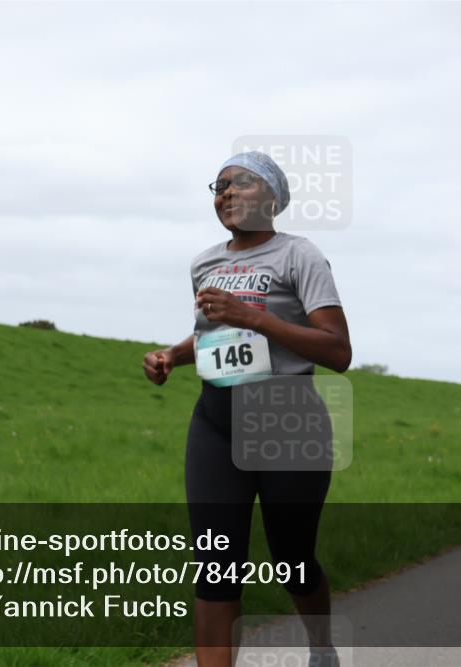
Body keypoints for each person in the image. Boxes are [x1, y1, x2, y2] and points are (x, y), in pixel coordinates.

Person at [142, 151, 351, 667]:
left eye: (241, 184)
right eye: (219, 186)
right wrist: (173, 355)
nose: (227, 193)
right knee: (215, 565)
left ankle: (321, 649)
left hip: (287, 419)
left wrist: (254, 318)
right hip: (216, 420)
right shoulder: (204, 263)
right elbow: (213, 334)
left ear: (274, 198)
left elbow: (337, 351)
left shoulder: (300, 256)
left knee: (293, 560)